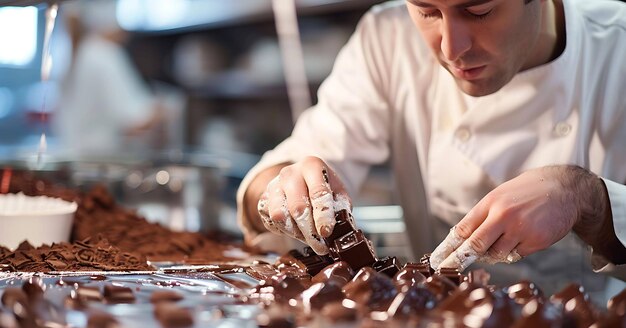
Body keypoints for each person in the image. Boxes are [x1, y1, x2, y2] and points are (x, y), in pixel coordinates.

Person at [237, 0, 626, 300]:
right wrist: (285, 186)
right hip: (424, 326)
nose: (452, 48)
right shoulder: (387, 38)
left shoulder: (616, 46)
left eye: (479, 11)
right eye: (426, 11)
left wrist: (587, 199)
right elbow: (284, 173)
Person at [51, 0, 165, 157]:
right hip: (99, 164)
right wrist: (164, 108)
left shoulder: (72, 54)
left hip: (70, 159)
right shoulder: (103, 54)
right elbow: (136, 121)